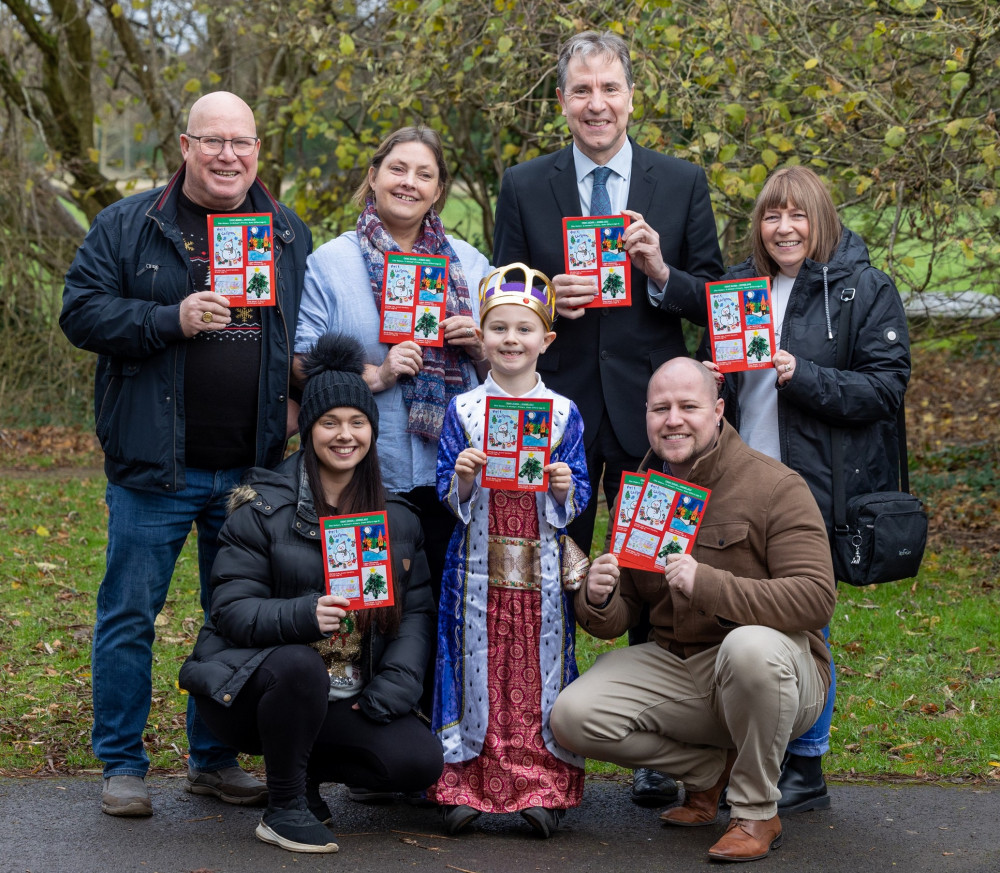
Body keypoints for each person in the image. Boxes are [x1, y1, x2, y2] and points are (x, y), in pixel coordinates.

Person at [60, 91, 312, 816]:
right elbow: (80, 311)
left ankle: (212, 757)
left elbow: (295, 340)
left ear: (258, 150)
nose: (227, 155)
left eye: (241, 142)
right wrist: (169, 318)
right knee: (129, 614)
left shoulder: (285, 234)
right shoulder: (130, 225)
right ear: (184, 145)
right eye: (213, 141)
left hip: (249, 473)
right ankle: (122, 763)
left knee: (230, 615)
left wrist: (297, 396)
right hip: (154, 466)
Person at [492, 31, 724, 804]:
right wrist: (547, 297)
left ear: (631, 98)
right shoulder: (525, 184)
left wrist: (661, 272)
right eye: (581, 91)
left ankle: (657, 743)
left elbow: (717, 301)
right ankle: (538, 736)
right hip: (551, 418)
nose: (597, 104)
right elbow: (502, 295)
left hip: (647, 417)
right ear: (563, 102)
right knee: (543, 570)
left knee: (652, 575)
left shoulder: (680, 181)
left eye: (609, 89)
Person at [549, 357, 836, 862]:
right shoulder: (640, 493)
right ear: (646, 415)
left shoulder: (774, 486)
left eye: (688, 406)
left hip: (776, 670)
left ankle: (755, 811)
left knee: (750, 648)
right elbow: (624, 613)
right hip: (682, 665)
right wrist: (597, 596)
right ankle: (706, 772)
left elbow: (815, 597)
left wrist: (709, 584)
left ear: (719, 409)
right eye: (661, 408)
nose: (673, 420)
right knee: (572, 717)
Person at [179, 333, 444, 854]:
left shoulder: (394, 519)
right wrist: (305, 613)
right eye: (330, 422)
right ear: (310, 430)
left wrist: (390, 692)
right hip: (251, 687)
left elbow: (416, 616)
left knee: (416, 762)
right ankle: (284, 807)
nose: (344, 436)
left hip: (347, 692)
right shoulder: (262, 507)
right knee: (301, 667)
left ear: (372, 429)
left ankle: (305, 774)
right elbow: (230, 610)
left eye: (357, 422)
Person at [701, 165, 911, 813]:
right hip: (738, 484)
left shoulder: (865, 290)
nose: (784, 228)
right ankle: (740, 750)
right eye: (771, 216)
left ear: (822, 219)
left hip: (813, 490)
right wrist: (712, 379)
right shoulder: (738, 286)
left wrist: (804, 373)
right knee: (733, 619)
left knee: (804, 621)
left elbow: (886, 387)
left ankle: (807, 764)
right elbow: (731, 390)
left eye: (797, 215)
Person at [294, 125, 491, 633]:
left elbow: (514, 368)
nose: (409, 183)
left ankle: (435, 709)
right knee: (371, 604)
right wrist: (373, 375)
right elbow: (297, 361)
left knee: (451, 605)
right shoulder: (332, 263)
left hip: (456, 469)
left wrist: (480, 348)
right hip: (365, 467)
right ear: (374, 176)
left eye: (424, 174)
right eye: (398, 169)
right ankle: (367, 702)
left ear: (438, 190)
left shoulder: (469, 265)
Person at [430, 264, 591, 838]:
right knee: (479, 669)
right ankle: (465, 785)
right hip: (477, 572)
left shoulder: (565, 413)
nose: (511, 340)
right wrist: (465, 479)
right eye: (499, 329)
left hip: (541, 572)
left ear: (546, 339)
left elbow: (582, 489)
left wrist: (565, 488)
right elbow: (444, 487)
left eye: (524, 329)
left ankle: (541, 787)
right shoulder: (464, 410)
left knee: (536, 673)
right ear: (481, 333)